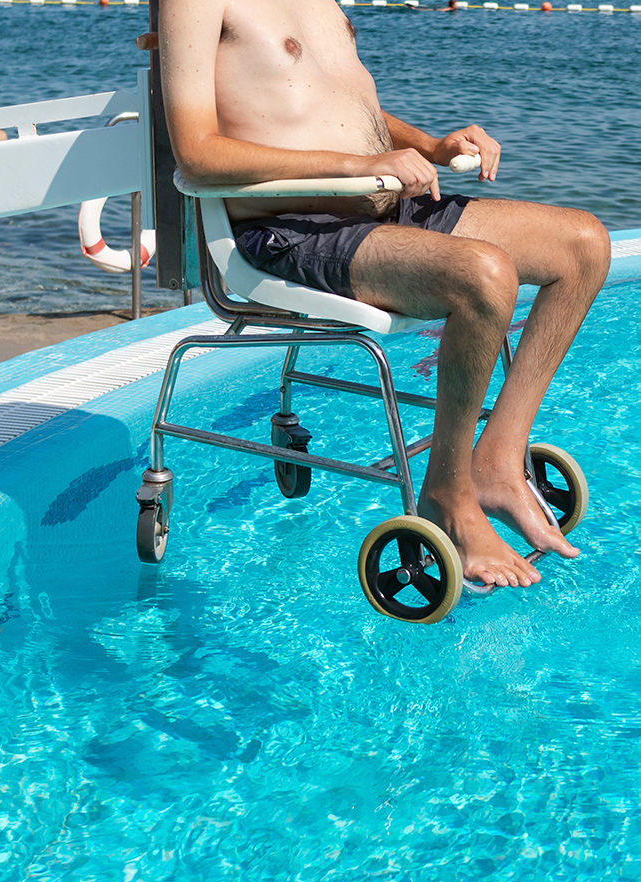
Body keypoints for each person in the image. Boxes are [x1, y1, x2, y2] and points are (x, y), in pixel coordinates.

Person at [158, 0, 610, 588]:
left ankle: (498, 461)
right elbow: (196, 152)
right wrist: (362, 163)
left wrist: (430, 145)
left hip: (391, 208)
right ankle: (446, 495)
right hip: (293, 227)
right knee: (484, 274)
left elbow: (335, 100)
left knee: (584, 245)